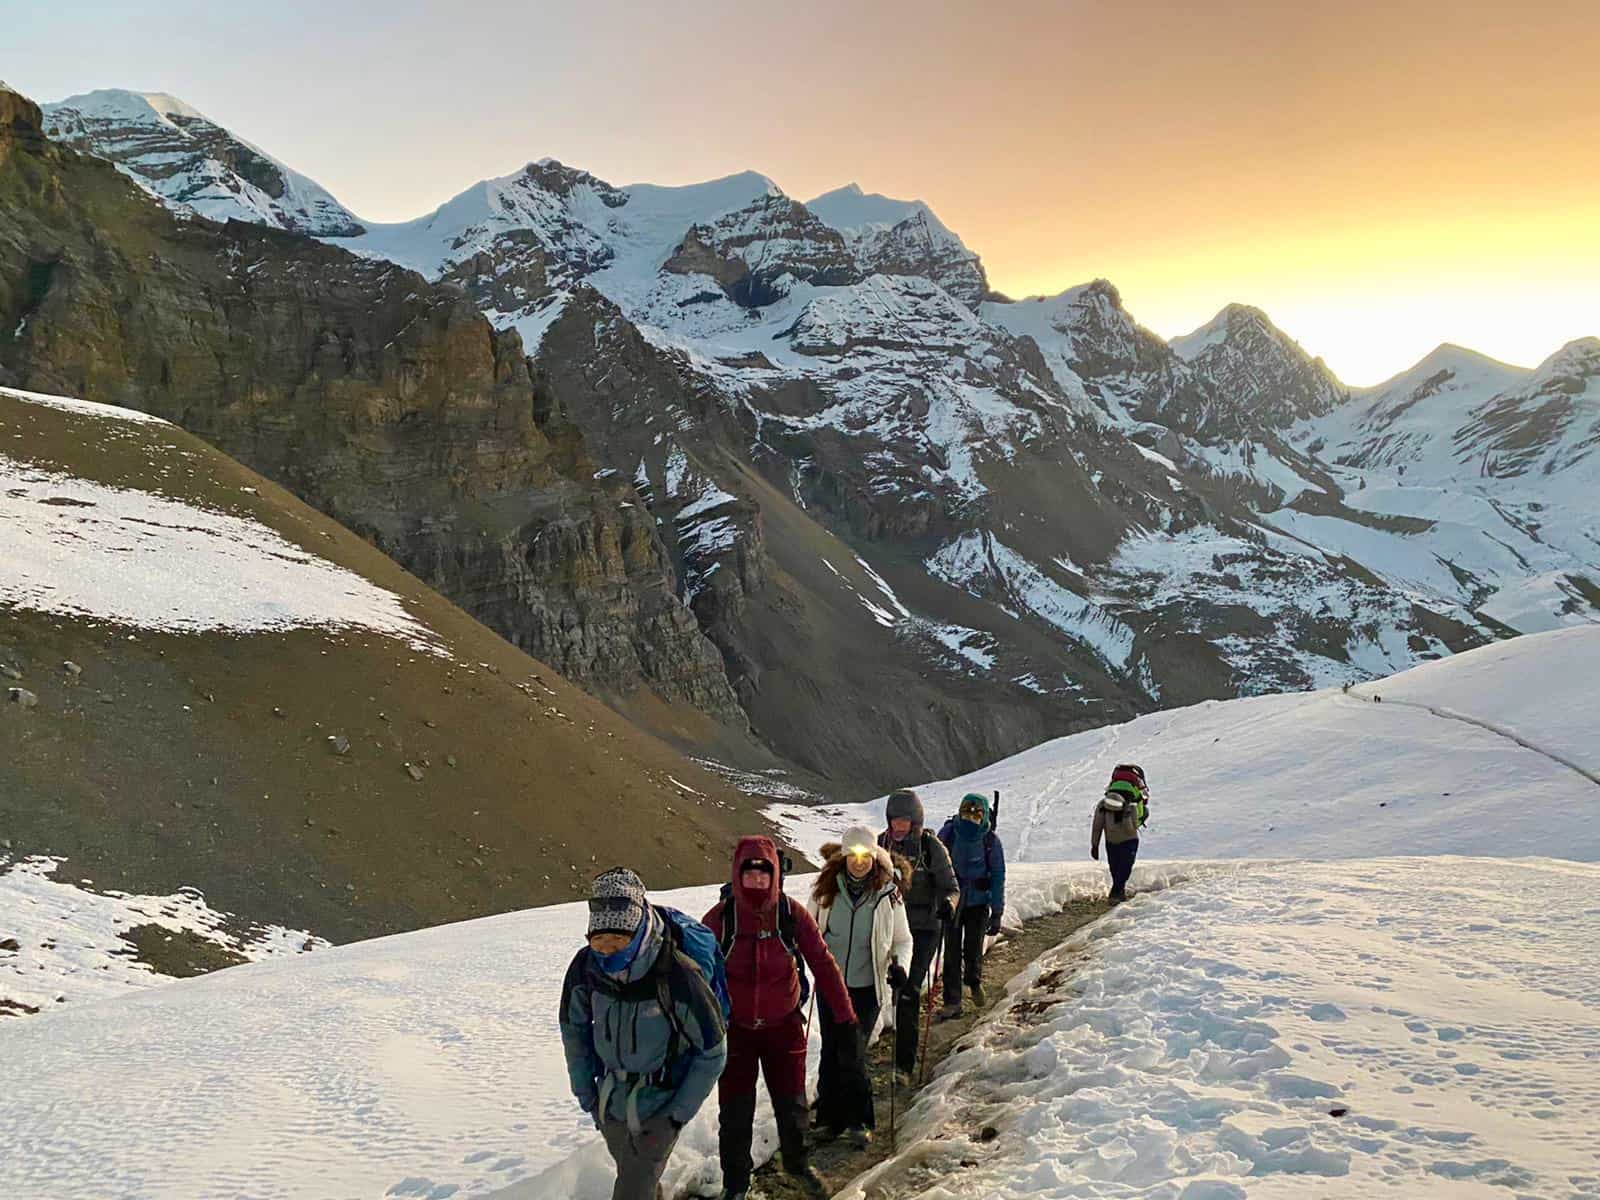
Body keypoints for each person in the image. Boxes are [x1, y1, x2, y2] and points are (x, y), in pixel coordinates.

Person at [559, 867, 728, 1200]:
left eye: (616, 940)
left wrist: (676, 1115)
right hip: (610, 1102)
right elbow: (574, 1031)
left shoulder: (675, 973)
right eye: (599, 941)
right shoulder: (586, 968)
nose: (607, 951)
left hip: (660, 1101)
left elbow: (713, 1050)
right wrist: (587, 1095)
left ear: (635, 933)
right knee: (637, 1178)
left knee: (632, 1188)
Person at [703, 837, 854, 1200]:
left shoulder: (791, 914)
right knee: (735, 1114)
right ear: (738, 876)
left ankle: (798, 1165)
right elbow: (694, 974)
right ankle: (735, 1185)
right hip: (734, 1031)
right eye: (749, 874)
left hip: (784, 1028)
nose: (757, 882)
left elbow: (822, 962)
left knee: (792, 1105)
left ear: (775, 876)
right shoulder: (720, 919)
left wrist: (845, 1016)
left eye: (764, 874)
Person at [807, 827, 913, 1147]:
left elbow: (902, 940)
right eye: (852, 855)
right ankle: (829, 1120)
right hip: (831, 985)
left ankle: (859, 1120)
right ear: (844, 856)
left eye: (865, 856)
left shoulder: (888, 895)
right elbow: (808, 932)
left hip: (868, 988)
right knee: (831, 1050)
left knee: (851, 1052)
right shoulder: (824, 890)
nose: (858, 862)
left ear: (873, 856)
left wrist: (899, 966)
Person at [878, 788, 959, 1078]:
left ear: (915, 821)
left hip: (924, 929)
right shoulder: (880, 845)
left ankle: (904, 1065)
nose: (898, 826)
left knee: (910, 990)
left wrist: (948, 905)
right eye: (894, 820)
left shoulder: (931, 847)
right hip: (890, 928)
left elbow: (951, 887)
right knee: (887, 989)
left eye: (904, 821)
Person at [936, 793, 1006, 1020]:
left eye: (975, 815)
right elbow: (934, 866)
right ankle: (952, 1001)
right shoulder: (948, 834)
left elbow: (998, 876)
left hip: (978, 903)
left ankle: (973, 980)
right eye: (967, 814)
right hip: (953, 902)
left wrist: (997, 912)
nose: (970, 820)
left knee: (973, 947)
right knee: (952, 951)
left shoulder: (990, 841)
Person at [1092, 767, 1147, 902]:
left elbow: (1097, 827)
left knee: (1115, 867)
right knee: (1125, 867)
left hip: (1111, 841)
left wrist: (1095, 845)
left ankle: (1117, 892)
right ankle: (1117, 892)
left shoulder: (1102, 805)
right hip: (1129, 840)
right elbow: (1135, 824)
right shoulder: (1132, 805)